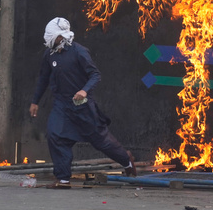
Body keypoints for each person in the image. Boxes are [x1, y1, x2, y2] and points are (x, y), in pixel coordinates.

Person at [29, 17, 137, 188]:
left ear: (60, 36)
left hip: (82, 105)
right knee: (55, 134)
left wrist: (83, 90)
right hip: (61, 105)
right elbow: (43, 78)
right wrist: (35, 101)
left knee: (100, 140)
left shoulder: (79, 52)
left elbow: (95, 75)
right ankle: (63, 179)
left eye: (51, 36)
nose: (48, 40)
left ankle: (126, 160)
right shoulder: (49, 54)